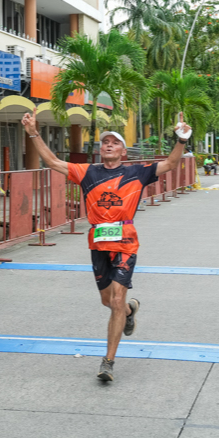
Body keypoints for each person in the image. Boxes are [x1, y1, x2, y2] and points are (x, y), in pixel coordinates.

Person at [21, 111, 191, 381]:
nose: (108, 145)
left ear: (123, 151)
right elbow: (52, 161)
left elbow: (171, 164)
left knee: (115, 300)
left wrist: (182, 139)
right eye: (105, 142)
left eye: (114, 142)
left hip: (125, 242)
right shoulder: (88, 172)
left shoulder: (137, 171)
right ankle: (129, 311)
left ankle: (108, 362)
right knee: (107, 301)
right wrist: (33, 132)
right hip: (98, 242)